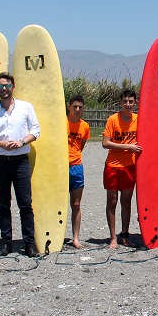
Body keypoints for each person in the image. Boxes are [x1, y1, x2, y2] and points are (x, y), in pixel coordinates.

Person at [0, 73, 41, 258]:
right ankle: (6, 242)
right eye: (0, 86)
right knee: (3, 204)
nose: (4, 89)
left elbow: (36, 130)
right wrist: (0, 144)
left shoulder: (25, 107)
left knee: (25, 203)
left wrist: (21, 142)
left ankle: (29, 243)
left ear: (13, 87)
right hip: (0, 162)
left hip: (21, 161)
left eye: (7, 85)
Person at [102, 89, 141, 249]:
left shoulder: (139, 119)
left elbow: (154, 130)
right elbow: (105, 143)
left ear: (135, 103)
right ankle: (113, 237)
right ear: (120, 102)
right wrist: (127, 147)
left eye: (131, 101)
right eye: (125, 101)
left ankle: (124, 235)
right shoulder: (113, 120)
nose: (128, 104)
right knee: (112, 201)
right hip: (112, 166)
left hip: (129, 167)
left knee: (126, 202)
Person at [66, 95, 90, 249]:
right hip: (60, 167)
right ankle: (54, 235)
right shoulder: (61, 122)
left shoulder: (85, 126)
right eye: (75, 106)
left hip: (76, 167)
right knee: (58, 203)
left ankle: (75, 238)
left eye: (80, 107)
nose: (77, 109)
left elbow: (80, 146)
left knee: (76, 204)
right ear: (69, 107)